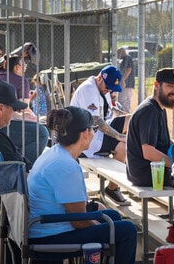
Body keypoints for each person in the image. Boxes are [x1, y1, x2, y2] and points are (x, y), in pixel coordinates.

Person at [27, 106, 137, 264]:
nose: (93, 134)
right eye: (93, 129)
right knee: (127, 230)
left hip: (46, 226)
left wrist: (100, 226)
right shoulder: (66, 165)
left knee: (113, 218)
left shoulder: (56, 153)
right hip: (49, 236)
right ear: (85, 133)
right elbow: (79, 221)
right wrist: (98, 226)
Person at [69, 65, 129, 204]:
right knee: (122, 146)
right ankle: (113, 189)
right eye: (107, 87)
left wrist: (122, 115)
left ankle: (139, 155)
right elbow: (96, 120)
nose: (108, 90)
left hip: (97, 132)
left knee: (131, 120)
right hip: (86, 138)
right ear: (100, 77)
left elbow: (107, 112)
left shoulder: (102, 88)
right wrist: (118, 135)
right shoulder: (89, 88)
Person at [126, 68, 174, 187]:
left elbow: (162, 142)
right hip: (147, 174)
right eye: (170, 86)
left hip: (150, 171)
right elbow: (149, 153)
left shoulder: (158, 108)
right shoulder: (149, 111)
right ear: (156, 85)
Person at [0, 54, 50, 164]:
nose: (25, 66)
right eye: (23, 63)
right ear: (16, 67)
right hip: (8, 124)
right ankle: (25, 166)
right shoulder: (21, 81)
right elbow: (24, 109)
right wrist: (34, 118)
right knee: (42, 133)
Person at [117, 47, 135, 114]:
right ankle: (125, 118)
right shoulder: (125, 58)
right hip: (127, 84)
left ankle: (125, 119)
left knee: (123, 103)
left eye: (119, 54)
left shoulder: (127, 58)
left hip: (127, 84)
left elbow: (128, 69)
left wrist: (123, 80)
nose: (119, 56)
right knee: (123, 102)